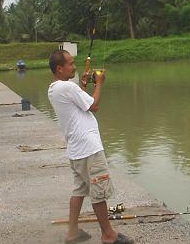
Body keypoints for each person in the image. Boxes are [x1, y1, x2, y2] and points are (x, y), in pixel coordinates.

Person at [47, 49, 133, 244]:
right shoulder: (67, 88)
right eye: (70, 63)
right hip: (89, 149)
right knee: (99, 191)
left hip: (76, 150)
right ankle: (108, 235)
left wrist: (83, 85)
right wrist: (100, 83)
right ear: (59, 68)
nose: (74, 66)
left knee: (79, 190)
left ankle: (72, 232)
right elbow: (93, 105)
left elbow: (79, 102)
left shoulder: (55, 88)